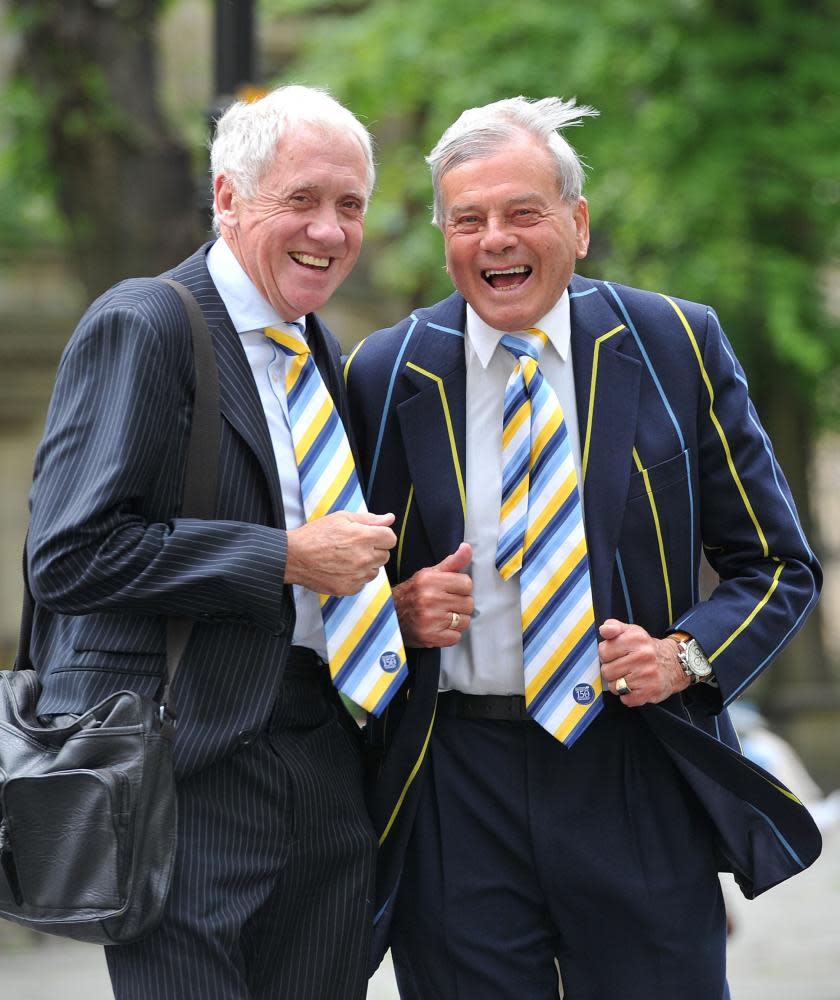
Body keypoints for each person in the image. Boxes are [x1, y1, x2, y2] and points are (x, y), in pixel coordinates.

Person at [345, 96, 823, 999]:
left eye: (523, 212)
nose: (495, 240)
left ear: (577, 223)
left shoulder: (678, 342)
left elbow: (777, 566)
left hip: (634, 766)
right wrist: (395, 612)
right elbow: (346, 580)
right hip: (457, 782)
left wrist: (685, 655)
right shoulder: (388, 367)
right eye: (468, 219)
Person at [27, 85, 405, 1000]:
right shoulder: (146, 322)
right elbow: (69, 555)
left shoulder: (320, 348)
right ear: (229, 199)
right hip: (185, 771)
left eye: (350, 205)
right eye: (303, 200)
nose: (330, 230)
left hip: (323, 762)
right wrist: (283, 558)